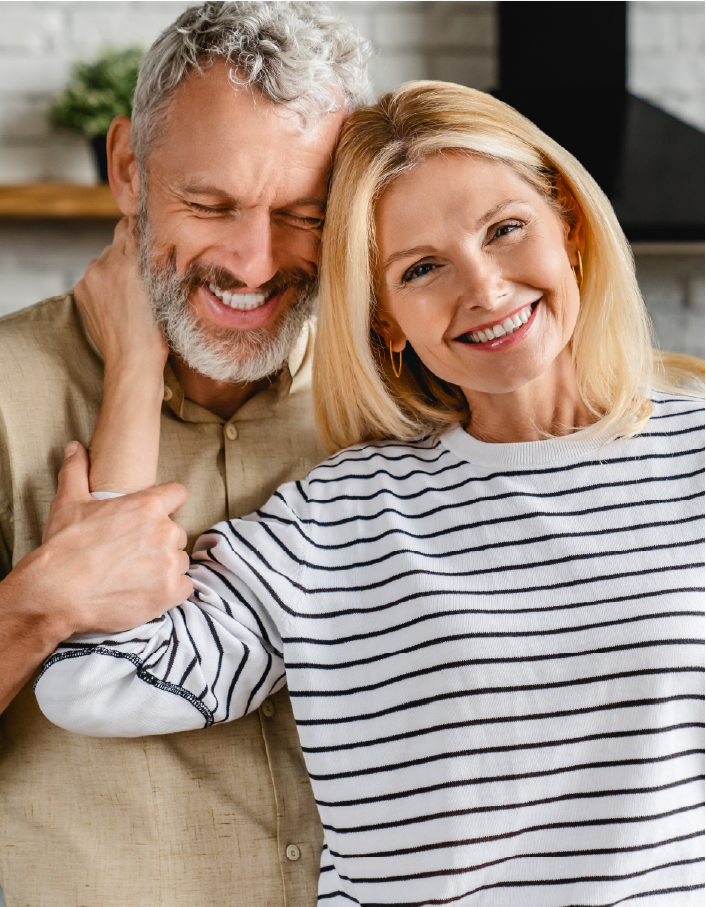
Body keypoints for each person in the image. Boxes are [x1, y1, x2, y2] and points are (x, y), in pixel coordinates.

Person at [37, 81, 705, 905]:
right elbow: (94, 682)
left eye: (506, 229)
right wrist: (136, 361)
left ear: (567, 226)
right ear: (385, 319)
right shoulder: (337, 521)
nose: (487, 289)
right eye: (422, 268)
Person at [0, 3, 372, 905]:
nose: (254, 261)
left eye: (300, 214)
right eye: (211, 205)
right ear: (128, 168)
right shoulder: (7, 391)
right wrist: (39, 605)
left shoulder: (395, 400)